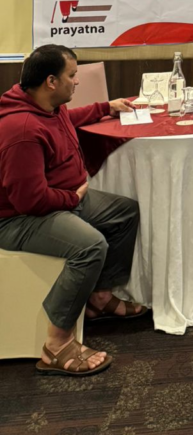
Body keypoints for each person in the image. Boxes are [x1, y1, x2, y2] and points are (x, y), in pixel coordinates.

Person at [0, 45, 146, 376]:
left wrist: (105, 107)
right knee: (91, 246)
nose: (77, 81)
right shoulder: (21, 130)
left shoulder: (47, 106)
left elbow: (70, 118)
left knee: (124, 212)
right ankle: (57, 343)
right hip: (19, 219)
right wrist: (72, 198)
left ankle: (100, 297)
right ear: (51, 81)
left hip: (63, 198)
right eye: (72, 75)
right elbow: (29, 202)